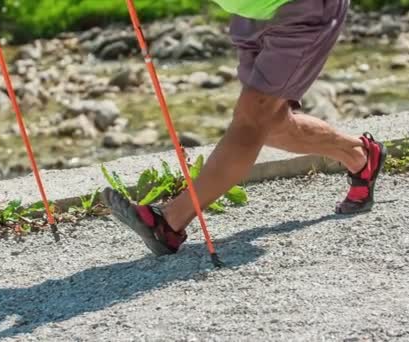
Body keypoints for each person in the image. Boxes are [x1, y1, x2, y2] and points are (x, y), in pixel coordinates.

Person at [102, 0, 387, 256]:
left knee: (252, 118)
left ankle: (168, 222)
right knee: (272, 124)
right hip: (251, 16)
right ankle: (359, 155)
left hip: (302, 9)